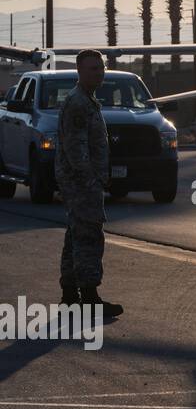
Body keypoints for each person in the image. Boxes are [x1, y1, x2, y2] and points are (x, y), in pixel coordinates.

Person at [56, 49, 123, 316]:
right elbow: (76, 149)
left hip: (81, 181)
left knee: (76, 235)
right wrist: (90, 180)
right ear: (80, 71)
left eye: (101, 68)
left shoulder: (86, 100)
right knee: (89, 236)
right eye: (92, 68)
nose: (99, 72)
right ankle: (90, 298)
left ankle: (71, 295)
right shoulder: (78, 103)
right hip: (81, 182)